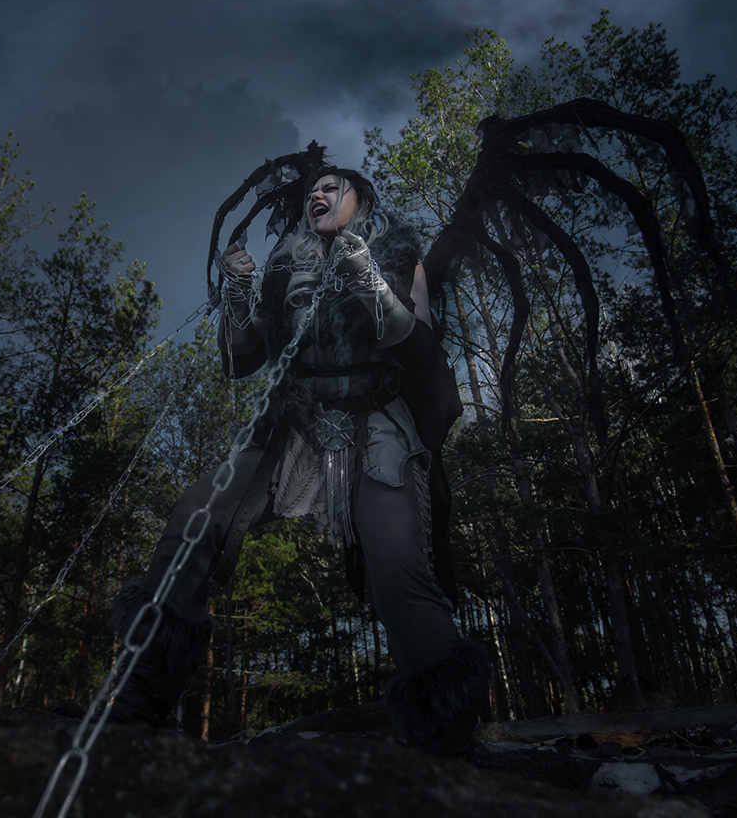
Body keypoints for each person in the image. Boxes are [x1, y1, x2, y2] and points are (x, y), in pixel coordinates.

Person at [107, 165, 487, 756]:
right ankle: (134, 710)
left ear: (361, 199)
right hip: (293, 427)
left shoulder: (397, 251)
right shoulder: (287, 262)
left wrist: (369, 281)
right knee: (195, 520)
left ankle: (448, 744)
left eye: (332, 187)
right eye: (312, 190)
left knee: (399, 574)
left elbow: (421, 345)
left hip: (376, 425)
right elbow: (242, 356)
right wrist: (239, 292)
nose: (317, 194)